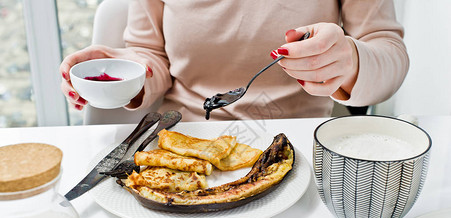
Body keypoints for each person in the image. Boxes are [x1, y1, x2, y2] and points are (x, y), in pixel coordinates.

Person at [60, 0, 408, 122]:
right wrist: (126, 70)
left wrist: (350, 61)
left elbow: (388, 52)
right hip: (183, 137)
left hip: (297, 143)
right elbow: (152, 56)